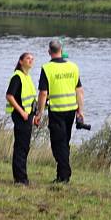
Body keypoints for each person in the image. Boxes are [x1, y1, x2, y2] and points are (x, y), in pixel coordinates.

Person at [34, 40, 84, 183]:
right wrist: (80, 111)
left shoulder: (47, 68)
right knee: (64, 142)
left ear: (49, 51)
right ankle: (61, 175)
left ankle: (65, 174)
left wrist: (39, 113)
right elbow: (79, 91)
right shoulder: (73, 67)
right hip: (71, 110)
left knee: (57, 144)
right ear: (61, 50)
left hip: (56, 110)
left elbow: (43, 94)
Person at [5, 52, 36, 185]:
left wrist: (33, 116)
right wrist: (22, 112)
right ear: (21, 61)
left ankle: (22, 177)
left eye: (32, 59)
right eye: (28, 58)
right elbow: (9, 96)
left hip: (28, 116)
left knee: (25, 147)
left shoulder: (27, 77)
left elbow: (31, 100)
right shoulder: (17, 77)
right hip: (20, 116)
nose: (31, 60)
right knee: (20, 147)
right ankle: (20, 179)